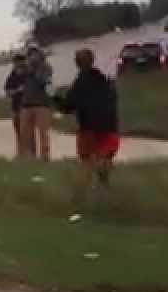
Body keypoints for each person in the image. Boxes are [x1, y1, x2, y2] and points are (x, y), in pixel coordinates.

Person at [56, 47, 120, 206]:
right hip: (109, 125)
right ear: (92, 60)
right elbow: (113, 98)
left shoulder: (79, 83)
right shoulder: (104, 79)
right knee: (105, 157)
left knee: (86, 162)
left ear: (77, 64)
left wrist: (56, 99)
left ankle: (80, 198)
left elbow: (67, 106)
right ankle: (104, 189)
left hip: (88, 128)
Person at [18, 45, 54, 161]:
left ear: (39, 54)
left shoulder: (46, 67)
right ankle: (30, 156)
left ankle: (45, 156)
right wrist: (26, 66)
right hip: (26, 104)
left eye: (34, 54)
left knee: (43, 132)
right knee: (26, 132)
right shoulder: (25, 67)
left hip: (42, 104)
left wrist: (34, 69)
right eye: (30, 54)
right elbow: (18, 73)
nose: (32, 56)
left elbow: (43, 80)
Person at [3, 53, 30, 156]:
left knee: (27, 130)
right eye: (15, 62)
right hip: (16, 106)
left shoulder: (28, 73)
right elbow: (7, 91)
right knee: (18, 130)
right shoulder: (12, 75)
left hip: (27, 106)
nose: (15, 64)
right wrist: (17, 90)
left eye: (18, 62)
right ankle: (20, 152)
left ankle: (29, 152)